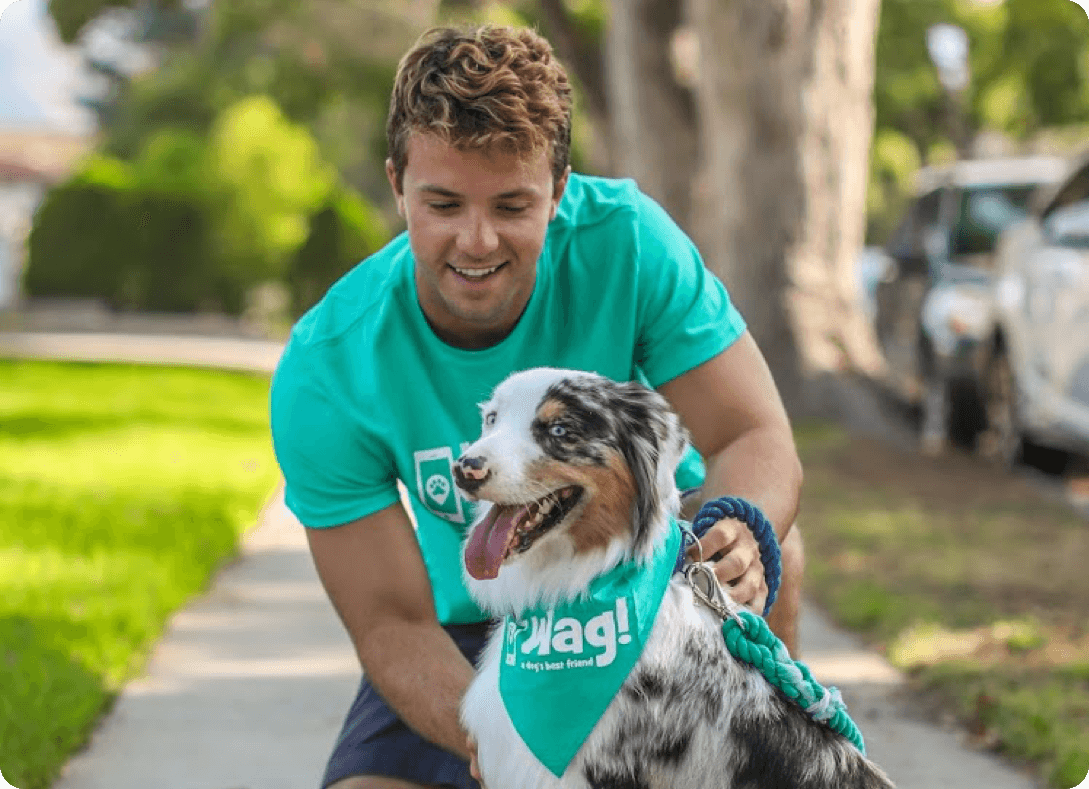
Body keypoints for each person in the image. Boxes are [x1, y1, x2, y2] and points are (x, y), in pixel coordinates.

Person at [270, 23, 804, 789]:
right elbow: (392, 622)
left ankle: (751, 756)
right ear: (397, 185)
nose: (476, 240)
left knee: (784, 538)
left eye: (512, 205)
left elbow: (752, 432)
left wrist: (742, 529)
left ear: (557, 190)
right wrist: (514, 746)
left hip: (641, 587)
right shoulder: (326, 368)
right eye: (443, 203)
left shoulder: (626, 241)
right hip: (467, 630)